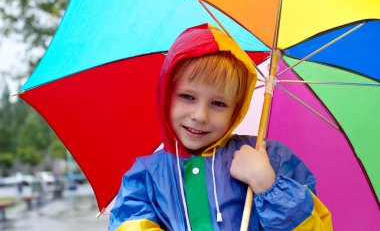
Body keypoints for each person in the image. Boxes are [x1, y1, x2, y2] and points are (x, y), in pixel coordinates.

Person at [108, 24, 332, 230]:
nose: (200, 115)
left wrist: (268, 186)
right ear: (166, 96)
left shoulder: (270, 158)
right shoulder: (144, 178)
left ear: (236, 109)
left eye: (218, 103)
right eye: (187, 96)